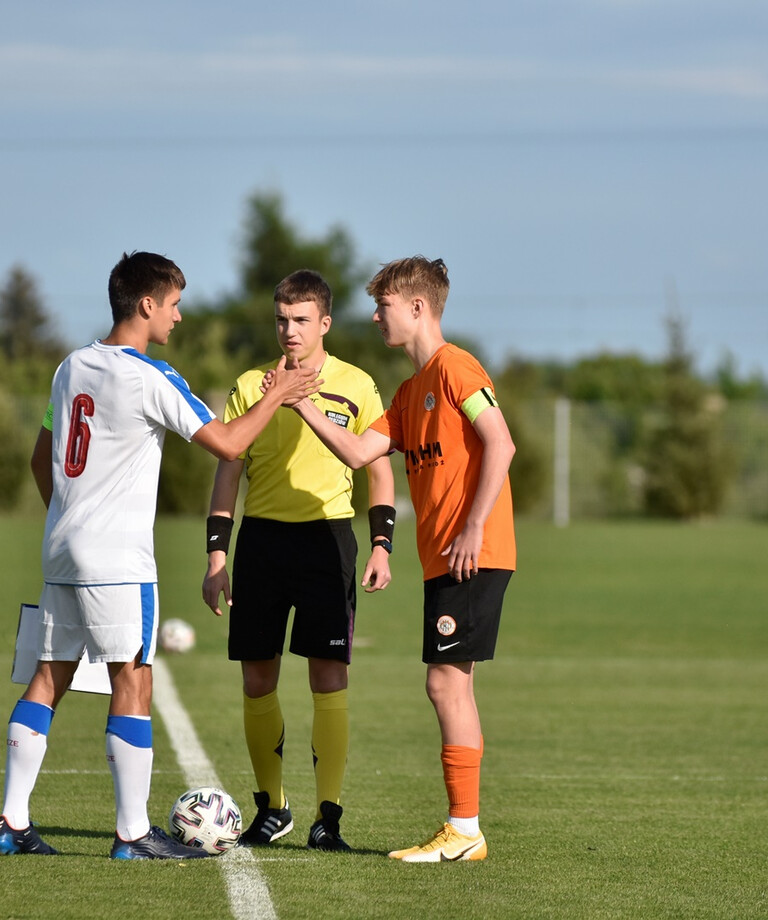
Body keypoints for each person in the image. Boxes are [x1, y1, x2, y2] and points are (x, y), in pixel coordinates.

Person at [0, 251, 320, 860]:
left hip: (61, 552)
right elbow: (226, 443)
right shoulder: (150, 376)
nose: (178, 315)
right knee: (134, 680)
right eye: (174, 303)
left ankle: (9, 822)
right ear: (146, 305)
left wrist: (68, 518)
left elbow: (42, 459)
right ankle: (131, 834)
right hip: (117, 562)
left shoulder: (70, 367)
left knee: (48, 677)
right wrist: (277, 394)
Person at [275, 256, 516, 862]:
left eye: (383, 305)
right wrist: (301, 405)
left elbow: (501, 442)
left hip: (472, 553)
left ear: (417, 308)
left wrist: (474, 525)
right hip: (446, 560)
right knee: (448, 686)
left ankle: (464, 830)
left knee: (445, 685)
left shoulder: (455, 367)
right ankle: (464, 828)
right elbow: (359, 453)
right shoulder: (411, 393)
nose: (375, 315)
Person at [202, 269, 395, 852]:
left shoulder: (356, 385)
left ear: (325, 324)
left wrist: (382, 543)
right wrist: (217, 556)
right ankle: (273, 806)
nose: (289, 330)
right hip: (261, 543)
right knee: (257, 677)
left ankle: (327, 817)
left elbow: (379, 468)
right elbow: (227, 473)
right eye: (282, 319)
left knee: (327, 677)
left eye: (302, 319)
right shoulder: (249, 385)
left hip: (328, 542)